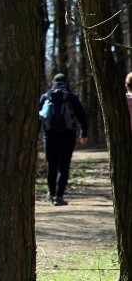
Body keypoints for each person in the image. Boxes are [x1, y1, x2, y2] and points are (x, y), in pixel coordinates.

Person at [38, 73, 88, 206]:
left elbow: (38, 116)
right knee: (63, 167)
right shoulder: (71, 97)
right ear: (67, 82)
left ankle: (51, 193)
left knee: (51, 165)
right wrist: (84, 133)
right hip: (68, 135)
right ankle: (59, 197)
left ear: (53, 82)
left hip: (49, 136)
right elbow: (82, 116)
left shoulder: (45, 97)